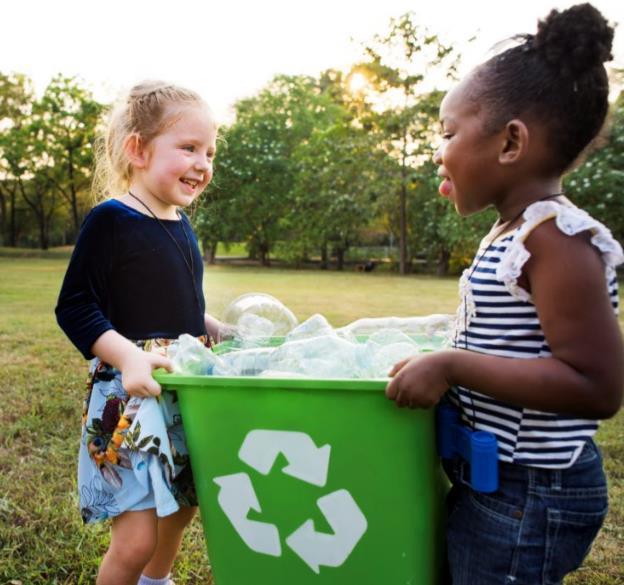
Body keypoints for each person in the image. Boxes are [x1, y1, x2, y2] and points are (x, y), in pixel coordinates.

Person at [385, 4, 623, 584]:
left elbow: (598, 385)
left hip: (531, 494)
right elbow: (510, 336)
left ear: (511, 142)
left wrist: (450, 364)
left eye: (446, 134)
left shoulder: (557, 239)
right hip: (494, 482)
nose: (439, 153)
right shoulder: (514, 232)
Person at [56, 81, 227, 585]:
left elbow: (181, 305)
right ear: (137, 149)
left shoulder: (180, 223)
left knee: (180, 508)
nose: (203, 163)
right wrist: (128, 356)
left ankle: (156, 581)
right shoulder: (111, 220)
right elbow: (75, 306)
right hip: (128, 399)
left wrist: (212, 327)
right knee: (136, 538)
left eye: (210, 152)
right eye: (189, 148)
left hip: (180, 388)